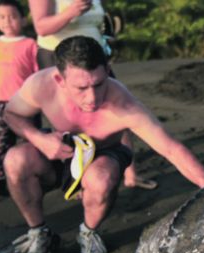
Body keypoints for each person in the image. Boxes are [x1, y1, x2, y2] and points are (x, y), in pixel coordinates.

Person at [2, 35, 204, 253]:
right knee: (15, 159)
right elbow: (10, 114)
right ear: (60, 80)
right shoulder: (41, 84)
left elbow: (171, 149)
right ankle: (39, 234)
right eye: (81, 88)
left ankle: (89, 233)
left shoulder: (124, 105)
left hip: (104, 156)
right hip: (62, 148)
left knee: (100, 177)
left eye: (99, 84)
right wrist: (39, 139)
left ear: (107, 71)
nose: (92, 97)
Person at [29, 0, 157, 190]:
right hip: (62, 60)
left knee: (119, 111)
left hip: (94, 59)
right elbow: (41, 27)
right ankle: (77, 180)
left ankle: (131, 174)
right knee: (73, 121)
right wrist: (72, 11)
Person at [0, 0, 40, 196]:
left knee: (29, 140)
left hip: (26, 102)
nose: (7, 21)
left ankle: (31, 176)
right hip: (2, 102)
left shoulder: (30, 44)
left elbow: (37, 74)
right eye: (2, 17)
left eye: (13, 16)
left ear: (23, 20)